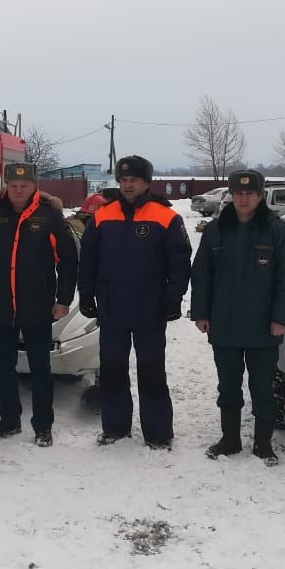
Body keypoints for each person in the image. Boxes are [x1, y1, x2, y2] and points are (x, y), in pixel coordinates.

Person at [78, 155, 191, 448]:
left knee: (152, 371)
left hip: (149, 308)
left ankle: (158, 432)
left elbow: (180, 262)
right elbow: (88, 258)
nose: (128, 185)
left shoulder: (165, 216)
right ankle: (115, 427)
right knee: (113, 370)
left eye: (134, 180)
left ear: (146, 183)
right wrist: (87, 293)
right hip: (112, 306)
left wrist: (173, 297)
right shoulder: (103, 215)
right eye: (124, 180)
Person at [190, 169, 285, 465]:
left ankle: (263, 444)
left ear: (261, 195)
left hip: (263, 325)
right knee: (228, 386)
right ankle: (230, 440)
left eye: (250, 193)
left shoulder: (274, 228)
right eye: (238, 193)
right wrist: (200, 312)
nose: (244, 198)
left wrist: (281, 318)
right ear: (231, 195)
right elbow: (202, 274)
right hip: (224, 324)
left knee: (262, 388)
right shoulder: (216, 229)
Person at [0, 162, 79, 445]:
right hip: (1, 306)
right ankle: (9, 422)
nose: (18, 190)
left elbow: (69, 261)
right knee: (2, 367)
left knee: (40, 369)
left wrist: (64, 300)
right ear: (6, 187)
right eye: (13, 185)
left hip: (38, 306)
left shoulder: (50, 218)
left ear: (35, 186)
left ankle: (43, 425)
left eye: (24, 185)